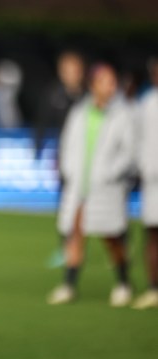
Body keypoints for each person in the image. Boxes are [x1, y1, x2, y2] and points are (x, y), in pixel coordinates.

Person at [48, 64, 136, 306]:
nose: (110, 86)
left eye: (112, 81)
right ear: (93, 85)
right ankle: (68, 284)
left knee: (112, 236)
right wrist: (68, 170)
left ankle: (123, 283)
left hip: (107, 187)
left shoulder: (123, 113)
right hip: (79, 185)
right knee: (75, 234)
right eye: (105, 81)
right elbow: (67, 143)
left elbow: (128, 151)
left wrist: (111, 174)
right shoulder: (80, 111)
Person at [133, 58, 158, 309]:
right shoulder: (147, 103)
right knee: (152, 235)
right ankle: (153, 287)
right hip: (152, 183)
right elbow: (137, 139)